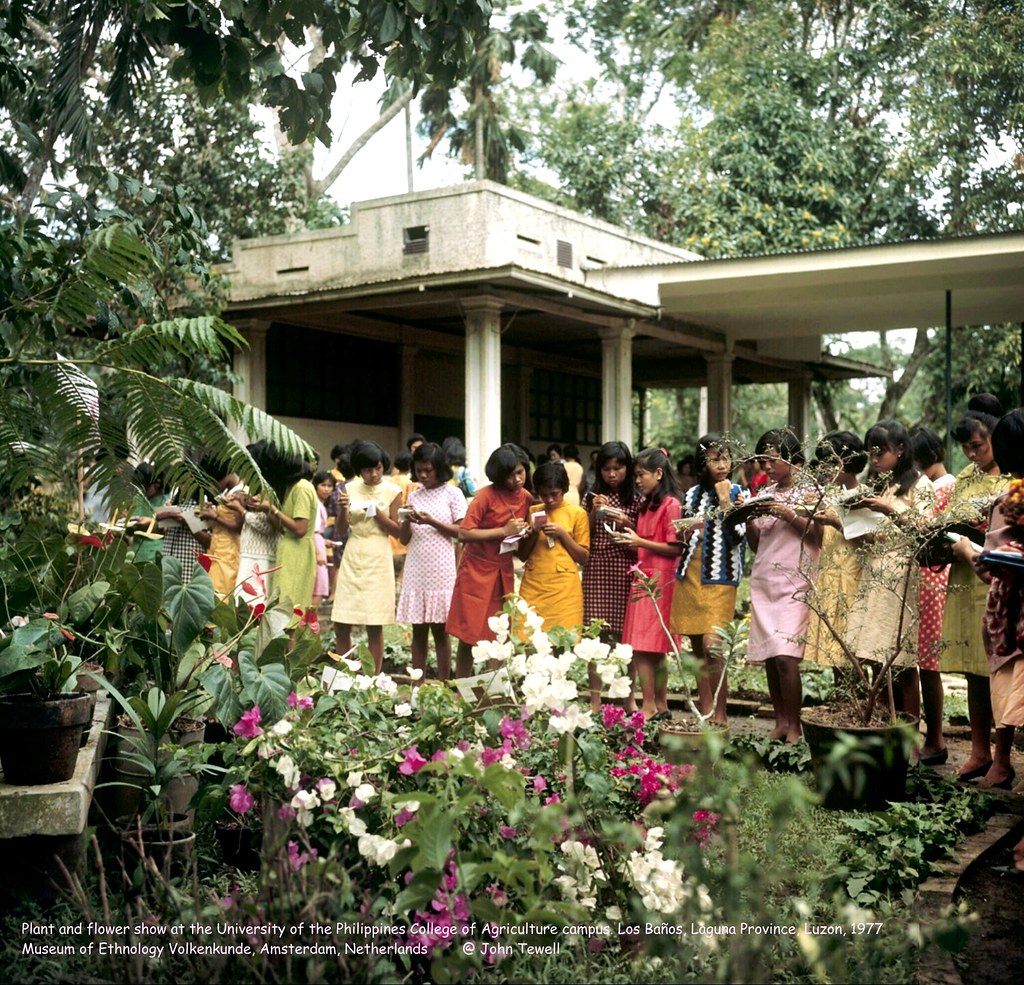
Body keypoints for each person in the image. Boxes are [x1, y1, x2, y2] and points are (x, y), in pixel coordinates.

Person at [843, 420, 934, 717]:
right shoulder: (879, 485)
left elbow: (925, 531)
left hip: (902, 572)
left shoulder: (920, 484)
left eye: (880, 452)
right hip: (873, 570)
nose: (874, 459)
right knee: (874, 656)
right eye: (870, 453)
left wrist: (889, 509)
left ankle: (909, 732)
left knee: (900, 658)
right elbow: (872, 535)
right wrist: (849, 519)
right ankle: (883, 725)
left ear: (901, 449)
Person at [940, 402, 1011, 782]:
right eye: (966, 448)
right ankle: (979, 750)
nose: (971, 454)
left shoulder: (1012, 477)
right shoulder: (966, 476)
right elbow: (949, 517)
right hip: (964, 579)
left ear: (996, 439)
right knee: (972, 670)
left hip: (998, 581)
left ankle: (1003, 758)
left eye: (978, 446)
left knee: (1000, 670)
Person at [746, 429, 821, 742]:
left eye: (773, 459)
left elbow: (819, 535)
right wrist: (748, 517)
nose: (766, 466)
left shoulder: (812, 492)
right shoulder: (764, 493)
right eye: (762, 460)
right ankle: (780, 722)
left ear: (794, 459)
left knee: (786, 658)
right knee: (770, 657)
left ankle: (796, 726)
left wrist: (789, 514)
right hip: (765, 581)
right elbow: (755, 544)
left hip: (796, 582)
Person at [669, 434, 746, 725]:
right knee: (698, 649)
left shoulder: (739, 492)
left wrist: (726, 502)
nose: (722, 464)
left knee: (713, 646)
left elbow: (738, 538)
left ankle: (721, 714)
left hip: (721, 577)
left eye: (726, 458)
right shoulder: (691, 495)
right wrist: (683, 531)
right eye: (715, 459)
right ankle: (706, 712)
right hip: (690, 575)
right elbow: (683, 535)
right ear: (703, 463)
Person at [446, 443, 533, 677]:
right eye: (510, 475)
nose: (517, 479)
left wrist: (522, 532)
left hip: (502, 571)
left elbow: (519, 532)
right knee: (468, 634)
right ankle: (462, 690)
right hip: (476, 570)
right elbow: (464, 533)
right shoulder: (485, 496)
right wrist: (503, 531)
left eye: (520, 472)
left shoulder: (526, 497)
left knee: (498, 633)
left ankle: (494, 690)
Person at [615, 448, 683, 721]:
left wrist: (639, 541)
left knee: (644, 647)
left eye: (641, 475)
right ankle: (661, 706)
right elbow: (647, 543)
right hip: (644, 576)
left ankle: (649, 706)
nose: (637, 480)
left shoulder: (671, 505)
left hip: (660, 581)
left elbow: (676, 547)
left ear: (659, 473)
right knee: (652, 647)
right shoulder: (648, 505)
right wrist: (628, 529)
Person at [977, 408, 1024, 795]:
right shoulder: (1011, 495)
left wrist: (968, 553)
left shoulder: (1012, 496)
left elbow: (989, 564)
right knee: (1008, 687)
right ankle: (1001, 760)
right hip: (1010, 614)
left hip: (1015, 612)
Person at [396, 442, 468, 680]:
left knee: (440, 630)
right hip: (417, 566)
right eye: (419, 470)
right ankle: (417, 684)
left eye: (428, 470)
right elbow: (404, 539)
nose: (423, 475)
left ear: (440, 468)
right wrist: (406, 519)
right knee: (418, 630)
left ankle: (444, 683)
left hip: (441, 567)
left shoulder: (453, 493)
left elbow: (461, 532)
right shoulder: (414, 495)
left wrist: (431, 521)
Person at [331, 440, 403, 672]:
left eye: (378, 468)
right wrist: (342, 509)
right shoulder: (349, 488)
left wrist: (376, 513)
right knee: (342, 621)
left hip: (378, 554)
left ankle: (372, 678)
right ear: (359, 470)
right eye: (367, 470)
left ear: (384, 465)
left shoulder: (393, 491)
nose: (373, 474)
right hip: (353, 552)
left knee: (374, 623)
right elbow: (341, 530)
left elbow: (398, 532)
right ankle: (345, 674)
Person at [909, 425, 956, 763]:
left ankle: (935, 737)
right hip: (925, 578)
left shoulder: (943, 487)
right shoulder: (937, 484)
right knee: (923, 661)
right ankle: (928, 737)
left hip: (933, 578)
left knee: (928, 663)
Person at [582, 441, 640, 711]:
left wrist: (627, 522)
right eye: (606, 469)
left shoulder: (637, 498)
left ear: (628, 468)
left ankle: (629, 698)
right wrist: (594, 510)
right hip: (597, 569)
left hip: (626, 568)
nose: (612, 474)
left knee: (627, 638)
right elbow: (584, 534)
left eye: (618, 468)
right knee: (595, 635)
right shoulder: (591, 496)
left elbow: (644, 535)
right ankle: (595, 699)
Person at [803, 431, 868, 671]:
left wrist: (835, 522)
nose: (827, 469)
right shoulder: (829, 495)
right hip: (830, 578)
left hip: (855, 579)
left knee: (855, 653)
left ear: (849, 463)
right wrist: (816, 514)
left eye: (832, 463)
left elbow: (868, 540)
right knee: (834, 654)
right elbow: (821, 541)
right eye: (824, 463)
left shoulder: (865, 496)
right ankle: (842, 697)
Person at [518, 460, 590, 633]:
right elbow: (522, 555)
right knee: (527, 636)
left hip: (564, 589)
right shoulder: (534, 511)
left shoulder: (577, 513)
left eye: (554, 494)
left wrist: (563, 534)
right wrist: (534, 533)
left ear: (564, 489)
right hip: (534, 584)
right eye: (544, 495)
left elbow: (583, 558)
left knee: (564, 638)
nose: (549, 499)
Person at [256, 454, 319, 614]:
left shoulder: (302, 487)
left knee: (290, 604)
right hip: (288, 549)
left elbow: (299, 529)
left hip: (298, 551)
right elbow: (282, 527)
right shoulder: (292, 487)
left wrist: (273, 509)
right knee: (281, 602)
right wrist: (266, 508)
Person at [198, 466, 244, 599]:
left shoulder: (241, 493)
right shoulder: (228, 492)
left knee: (222, 593)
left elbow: (239, 526)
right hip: (217, 548)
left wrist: (215, 516)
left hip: (229, 551)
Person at [311, 470, 336, 608]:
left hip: (319, 542)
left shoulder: (321, 504)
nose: (326, 489)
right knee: (317, 588)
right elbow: (312, 530)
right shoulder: (315, 504)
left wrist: (324, 542)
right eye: (323, 485)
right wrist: (318, 552)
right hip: (315, 545)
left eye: (329, 486)